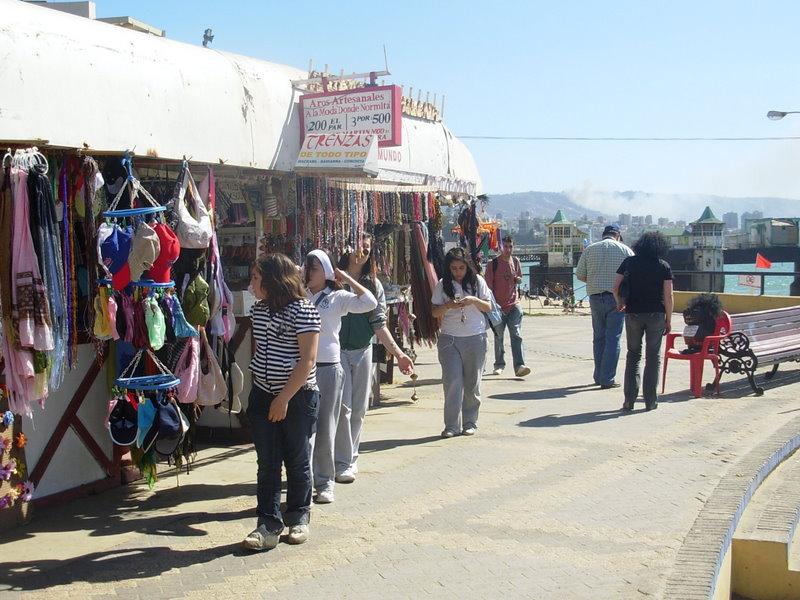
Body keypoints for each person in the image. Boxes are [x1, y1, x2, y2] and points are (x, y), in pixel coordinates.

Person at [243, 253, 321, 551]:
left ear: (274, 280)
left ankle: (299, 517)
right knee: (267, 463)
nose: (252, 284)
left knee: (297, 459)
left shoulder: (304, 311)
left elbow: (307, 361)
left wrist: (284, 398)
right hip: (263, 394)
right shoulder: (259, 311)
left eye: (256, 278)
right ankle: (268, 524)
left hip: (297, 397)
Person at [334, 233, 414, 484]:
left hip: (362, 350)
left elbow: (379, 324)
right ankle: (342, 462)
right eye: (358, 247)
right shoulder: (333, 280)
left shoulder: (374, 285)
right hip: (336, 352)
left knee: (359, 408)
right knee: (343, 408)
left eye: (367, 249)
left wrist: (399, 354)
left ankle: (351, 458)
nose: (362, 252)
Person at [303, 249, 377, 504]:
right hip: (303, 368)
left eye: (314, 268)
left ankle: (324, 482)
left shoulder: (336, 297)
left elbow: (369, 302)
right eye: (307, 267)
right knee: (303, 428)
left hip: (329, 367)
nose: (308, 272)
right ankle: (304, 481)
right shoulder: (299, 296)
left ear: (325, 271)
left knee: (326, 425)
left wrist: (345, 278)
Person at [431, 247, 492, 438]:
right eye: (454, 268)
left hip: (475, 337)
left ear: (467, 267)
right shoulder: (442, 285)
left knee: (472, 382)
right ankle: (451, 425)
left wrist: (473, 300)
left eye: (461, 268)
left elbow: (488, 306)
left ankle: (470, 421)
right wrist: (448, 305)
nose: (457, 272)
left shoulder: (477, 282)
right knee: (452, 382)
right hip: (450, 338)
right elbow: (434, 312)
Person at [613, 231, 673, 411]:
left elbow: (615, 287)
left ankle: (629, 400)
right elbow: (669, 296)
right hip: (656, 314)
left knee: (633, 355)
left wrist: (620, 303)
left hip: (633, 314)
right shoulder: (663, 266)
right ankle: (650, 401)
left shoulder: (629, 263)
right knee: (653, 357)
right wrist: (668, 320)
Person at [576, 224, 634, 389]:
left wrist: (594, 281)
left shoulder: (590, 249)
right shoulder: (625, 250)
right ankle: (607, 378)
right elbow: (632, 276)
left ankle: (598, 375)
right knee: (613, 338)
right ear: (618, 235)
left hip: (594, 297)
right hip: (616, 299)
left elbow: (580, 275)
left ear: (603, 235)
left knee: (598, 337)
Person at [485, 235, 530, 377]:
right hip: (498, 307)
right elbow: (488, 288)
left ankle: (519, 366)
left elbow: (519, 277)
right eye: (505, 246)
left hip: (514, 305)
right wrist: (492, 306)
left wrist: (518, 279)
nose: (508, 249)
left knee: (516, 334)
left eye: (510, 246)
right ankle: (499, 364)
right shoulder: (493, 264)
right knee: (498, 337)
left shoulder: (516, 261)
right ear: (500, 247)